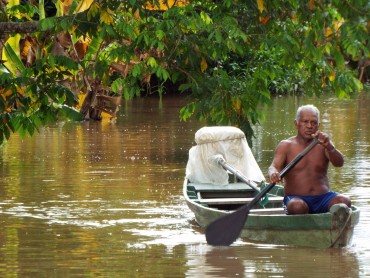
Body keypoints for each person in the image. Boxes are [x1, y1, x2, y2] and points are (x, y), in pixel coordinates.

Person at [268, 104, 351, 214]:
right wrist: (273, 173)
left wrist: (330, 147)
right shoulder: (286, 145)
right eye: (305, 122)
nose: (309, 126)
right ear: (296, 124)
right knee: (297, 206)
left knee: (344, 201)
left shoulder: (324, 143)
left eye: (314, 122)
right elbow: (273, 167)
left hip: (323, 198)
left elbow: (339, 163)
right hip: (296, 198)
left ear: (318, 125)